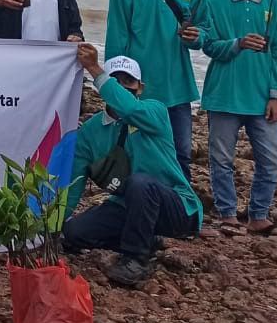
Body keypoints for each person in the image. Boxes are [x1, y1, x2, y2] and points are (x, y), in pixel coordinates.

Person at [65, 46, 204, 287]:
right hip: (127, 208)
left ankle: (135, 259)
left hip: (177, 208)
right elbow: (74, 185)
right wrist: (50, 228)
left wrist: (95, 69)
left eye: (128, 81)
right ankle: (146, 238)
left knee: (140, 183)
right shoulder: (89, 132)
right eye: (115, 81)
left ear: (140, 87)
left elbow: (128, 108)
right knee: (74, 232)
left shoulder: (154, 111)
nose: (122, 86)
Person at [199, 0, 277, 235]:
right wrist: (237, 44)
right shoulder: (212, 3)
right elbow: (209, 46)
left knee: (273, 160)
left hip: (262, 96)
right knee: (221, 158)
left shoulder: (275, 5)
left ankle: (259, 212)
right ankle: (227, 213)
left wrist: (276, 95)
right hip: (224, 93)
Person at [105, 0, 207, 179]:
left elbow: (205, 30)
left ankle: (182, 203)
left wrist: (195, 36)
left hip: (178, 85)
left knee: (181, 150)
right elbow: (117, 40)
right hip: (141, 87)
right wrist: (117, 87)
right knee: (138, 149)